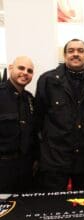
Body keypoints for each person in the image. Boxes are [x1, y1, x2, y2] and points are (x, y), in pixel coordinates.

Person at [35, 39, 84, 191]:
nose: (75, 54)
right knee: (53, 208)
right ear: (64, 55)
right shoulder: (47, 80)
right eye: (71, 51)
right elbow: (38, 119)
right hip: (55, 160)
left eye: (80, 51)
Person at [0, 56, 37, 193]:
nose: (25, 73)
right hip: (3, 168)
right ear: (10, 68)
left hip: (26, 168)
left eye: (29, 70)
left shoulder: (30, 99)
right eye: (21, 68)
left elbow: (33, 134)